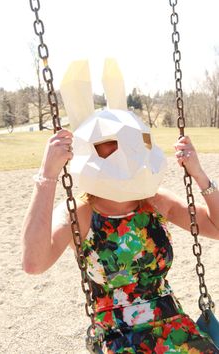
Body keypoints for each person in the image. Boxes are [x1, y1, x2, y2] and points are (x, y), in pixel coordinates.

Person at [22, 60, 219, 353]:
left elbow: (216, 228)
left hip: (173, 325)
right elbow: (34, 263)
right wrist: (47, 176)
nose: (125, 154)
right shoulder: (81, 214)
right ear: (90, 148)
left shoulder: (155, 200)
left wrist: (199, 175)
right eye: (111, 144)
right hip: (116, 334)